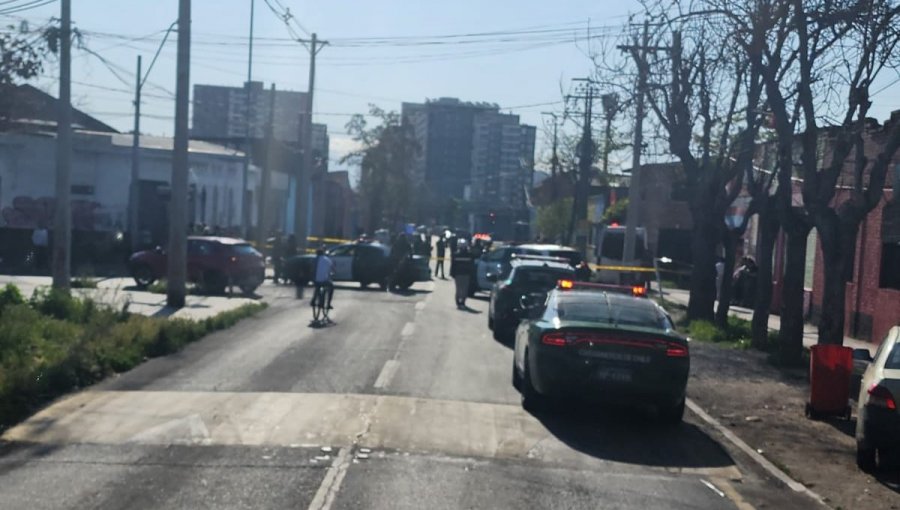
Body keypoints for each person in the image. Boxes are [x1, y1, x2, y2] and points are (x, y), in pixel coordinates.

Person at [451, 242, 475, 309]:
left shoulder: (455, 255)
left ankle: (458, 302)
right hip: (466, 275)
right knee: (465, 289)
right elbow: (472, 266)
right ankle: (462, 302)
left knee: (458, 289)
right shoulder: (470, 255)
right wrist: (472, 274)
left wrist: (452, 274)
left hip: (458, 274)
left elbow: (453, 266)